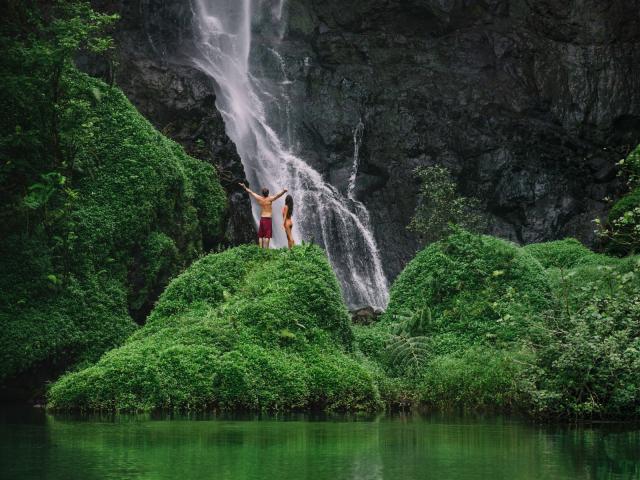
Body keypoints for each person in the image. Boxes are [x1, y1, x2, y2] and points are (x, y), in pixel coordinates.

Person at [239, 182, 287, 248]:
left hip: (262, 218)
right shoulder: (270, 199)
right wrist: (284, 191)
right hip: (268, 219)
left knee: (261, 235)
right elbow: (277, 195)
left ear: (262, 193)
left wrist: (244, 187)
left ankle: (260, 249)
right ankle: (266, 249)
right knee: (267, 236)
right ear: (268, 193)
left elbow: (251, 192)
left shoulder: (259, 198)